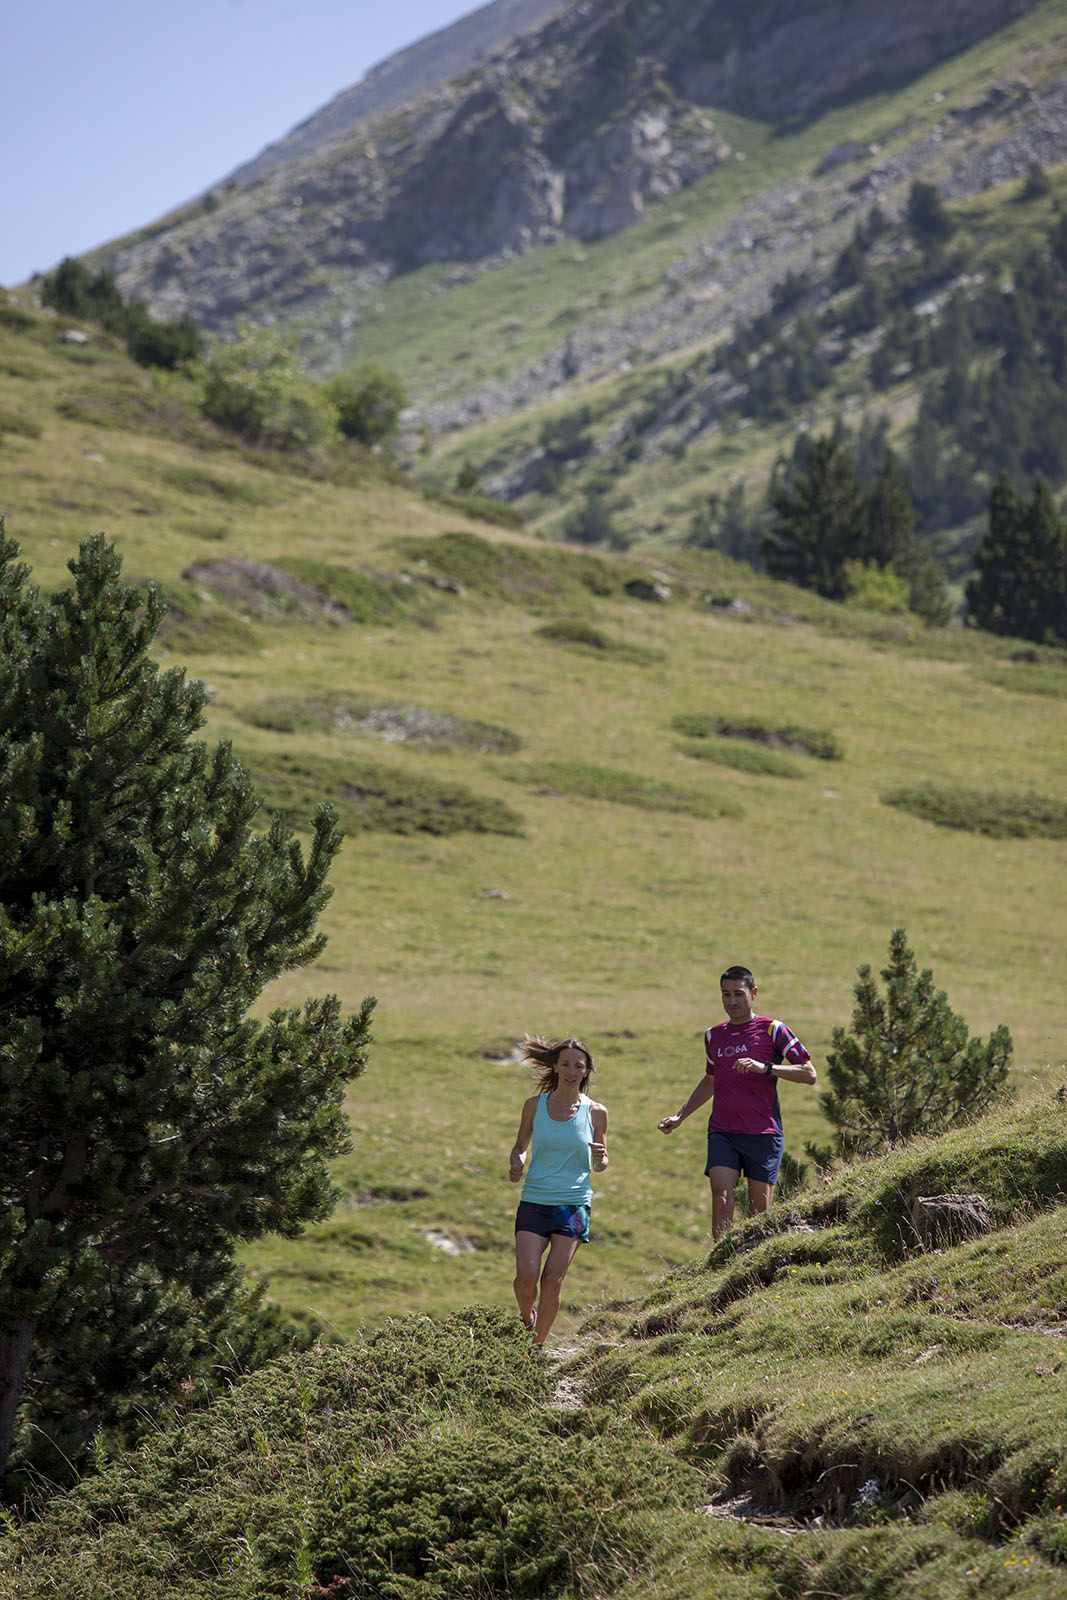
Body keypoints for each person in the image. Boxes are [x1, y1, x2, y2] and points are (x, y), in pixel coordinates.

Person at [658, 965, 816, 1239]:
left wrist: (765, 1067)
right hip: (723, 1132)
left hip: (763, 1134)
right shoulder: (713, 1036)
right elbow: (710, 1081)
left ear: (753, 993)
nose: (731, 1001)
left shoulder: (772, 1030)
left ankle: (754, 1273)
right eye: (726, 994)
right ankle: (719, 1266)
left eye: (738, 994)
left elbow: (809, 1074)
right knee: (721, 1199)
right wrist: (680, 1117)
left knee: (759, 1215)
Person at [509, 1035, 608, 1345]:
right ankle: (527, 1318)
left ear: (587, 1071)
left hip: (574, 1205)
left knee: (552, 1280)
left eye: (578, 1066)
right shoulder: (533, 1106)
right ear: (555, 1066)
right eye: (565, 1064)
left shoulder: (596, 1112)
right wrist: (517, 1163)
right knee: (527, 1278)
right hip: (535, 1200)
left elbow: (602, 1160)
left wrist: (601, 1158)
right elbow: (520, 1146)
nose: (571, 1070)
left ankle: (535, 1350)